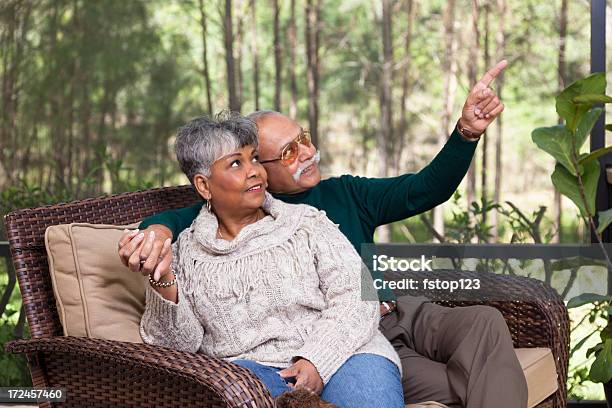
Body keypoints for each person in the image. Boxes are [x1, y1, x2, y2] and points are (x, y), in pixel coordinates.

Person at [121, 60, 528, 407]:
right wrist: (156, 234)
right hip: (352, 337)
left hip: (392, 311)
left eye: (304, 139)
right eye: (288, 152)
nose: (308, 153)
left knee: (486, 321)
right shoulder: (210, 224)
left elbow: (424, 189)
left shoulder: (338, 198)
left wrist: (467, 132)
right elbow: (188, 226)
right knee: (464, 385)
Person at [137, 112, 404, 408]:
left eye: (254, 158)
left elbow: (357, 297)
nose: (254, 171)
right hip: (252, 375)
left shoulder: (307, 223)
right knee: (240, 383)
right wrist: (162, 282)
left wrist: (316, 360)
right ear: (204, 185)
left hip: (346, 355)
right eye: (236, 163)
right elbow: (178, 349)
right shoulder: (187, 254)